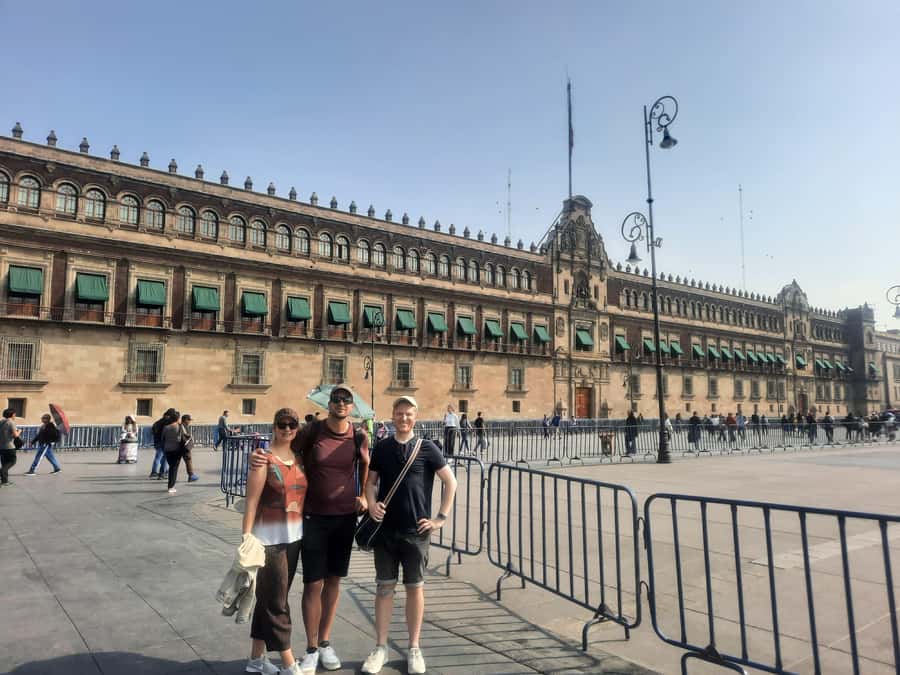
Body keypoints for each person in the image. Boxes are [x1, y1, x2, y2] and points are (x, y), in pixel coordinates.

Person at [251, 384, 369, 673]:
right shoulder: (312, 431)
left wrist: (364, 495)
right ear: (328, 404)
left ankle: (325, 642)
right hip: (313, 518)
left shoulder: (359, 435)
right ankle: (312, 648)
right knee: (312, 583)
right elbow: (286, 443)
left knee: (334, 581)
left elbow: (366, 465)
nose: (340, 403)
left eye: (346, 400)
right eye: (336, 399)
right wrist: (262, 456)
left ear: (351, 407)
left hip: (344, 519)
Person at [361, 395, 457, 675]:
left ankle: (414, 647)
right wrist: (372, 503)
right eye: (399, 413)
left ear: (416, 417)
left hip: (416, 531)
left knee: (415, 588)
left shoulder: (427, 448)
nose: (403, 418)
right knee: (384, 588)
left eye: (409, 414)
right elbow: (370, 483)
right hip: (386, 531)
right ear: (392, 416)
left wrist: (440, 518)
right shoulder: (382, 447)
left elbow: (450, 481)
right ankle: (380, 647)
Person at [243, 408, 307, 675]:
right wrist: (246, 538)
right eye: (282, 424)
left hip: (294, 538)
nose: (287, 428)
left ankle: (256, 660)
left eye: (292, 424)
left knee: (268, 598)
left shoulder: (299, 458)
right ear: (274, 426)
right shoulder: (263, 460)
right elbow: (251, 502)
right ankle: (289, 662)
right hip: (269, 541)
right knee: (278, 602)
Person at [162, 410, 187, 494]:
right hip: (177, 449)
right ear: (178, 418)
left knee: (171, 466)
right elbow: (185, 435)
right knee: (174, 468)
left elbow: (163, 438)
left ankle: (171, 485)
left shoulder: (166, 427)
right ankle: (171, 486)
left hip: (167, 449)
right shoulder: (180, 426)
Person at [150, 408, 176, 479]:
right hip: (164, 442)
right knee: (164, 458)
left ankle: (154, 472)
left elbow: (153, 430)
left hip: (157, 441)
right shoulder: (167, 422)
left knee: (158, 457)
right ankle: (162, 473)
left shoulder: (158, 421)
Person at [0, 408, 22, 486]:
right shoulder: (11, 422)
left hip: (1, 446)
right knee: (12, 461)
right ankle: (2, 471)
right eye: (15, 414)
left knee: (4, 463)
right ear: (12, 414)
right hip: (9, 447)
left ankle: (4, 481)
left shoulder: (1, 422)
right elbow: (15, 435)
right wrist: (19, 431)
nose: (15, 416)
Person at [180, 414, 199, 483]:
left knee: (188, 460)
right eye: (189, 420)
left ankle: (191, 475)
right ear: (185, 420)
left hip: (183, 447)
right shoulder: (182, 426)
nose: (190, 422)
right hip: (184, 447)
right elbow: (183, 436)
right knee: (188, 460)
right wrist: (189, 437)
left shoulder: (184, 426)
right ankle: (191, 475)